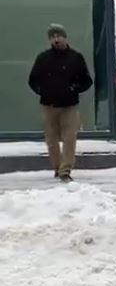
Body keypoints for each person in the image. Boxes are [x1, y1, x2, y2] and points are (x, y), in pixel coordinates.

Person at [27, 24, 93, 182]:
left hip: (69, 105)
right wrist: (42, 91)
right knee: (51, 140)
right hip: (48, 105)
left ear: (65, 37)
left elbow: (87, 81)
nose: (56, 40)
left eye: (58, 36)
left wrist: (74, 89)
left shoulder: (75, 58)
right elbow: (32, 80)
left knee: (69, 138)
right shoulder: (43, 58)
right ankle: (57, 167)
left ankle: (65, 170)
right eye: (53, 37)